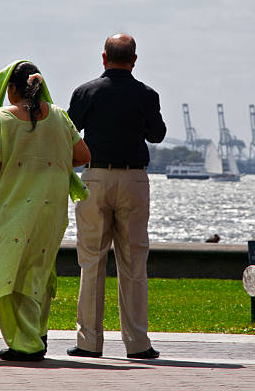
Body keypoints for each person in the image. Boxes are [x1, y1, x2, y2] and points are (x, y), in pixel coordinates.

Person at [0, 60, 91, 361]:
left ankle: (25, 343)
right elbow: (83, 155)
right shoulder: (59, 117)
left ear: (12, 89)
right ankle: (38, 333)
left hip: (13, 210)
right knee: (39, 270)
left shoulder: (3, 118)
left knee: (9, 273)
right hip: (51, 210)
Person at [66, 33, 166, 359]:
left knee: (91, 260)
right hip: (134, 177)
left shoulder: (86, 92)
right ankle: (137, 343)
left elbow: (69, 132)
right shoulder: (147, 95)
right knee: (134, 262)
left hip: (95, 177)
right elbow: (158, 134)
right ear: (134, 60)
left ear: (104, 57)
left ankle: (88, 342)